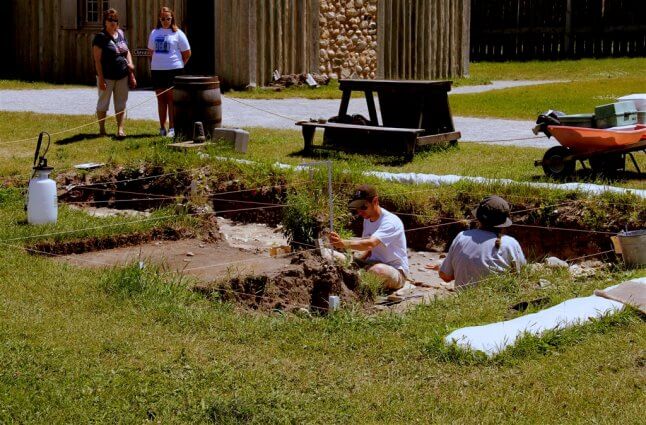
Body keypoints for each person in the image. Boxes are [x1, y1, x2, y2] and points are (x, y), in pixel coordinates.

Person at [427, 195, 526, 287]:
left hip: (464, 304)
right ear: (504, 222)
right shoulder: (511, 244)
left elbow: (446, 277)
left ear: (478, 218)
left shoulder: (462, 237)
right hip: (500, 304)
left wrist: (441, 266)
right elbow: (522, 276)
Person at [326, 184, 410, 290]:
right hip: (370, 263)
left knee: (377, 271)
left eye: (363, 206)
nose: (360, 211)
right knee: (328, 254)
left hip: (395, 270)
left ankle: (355, 282)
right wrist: (355, 261)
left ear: (375, 201)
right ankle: (357, 278)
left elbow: (370, 244)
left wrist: (343, 243)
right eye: (357, 207)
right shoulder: (367, 219)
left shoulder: (390, 222)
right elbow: (368, 249)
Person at [148, 7, 191, 138]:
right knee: (161, 100)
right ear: (159, 20)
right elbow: (150, 52)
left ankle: (172, 128)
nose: (165, 21)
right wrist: (156, 63)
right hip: (157, 70)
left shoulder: (178, 33)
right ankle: (162, 127)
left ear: (172, 18)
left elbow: (187, 53)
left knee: (171, 99)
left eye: (168, 18)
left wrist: (179, 64)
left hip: (174, 70)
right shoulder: (154, 32)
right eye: (163, 19)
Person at [92, 8, 136, 139]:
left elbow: (126, 51)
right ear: (105, 22)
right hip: (106, 76)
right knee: (103, 103)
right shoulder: (100, 38)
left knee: (121, 103)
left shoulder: (121, 34)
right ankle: (102, 130)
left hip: (122, 75)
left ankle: (120, 130)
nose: (113, 23)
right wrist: (101, 79)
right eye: (110, 20)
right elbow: (97, 60)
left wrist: (131, 68)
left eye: (115, 20)